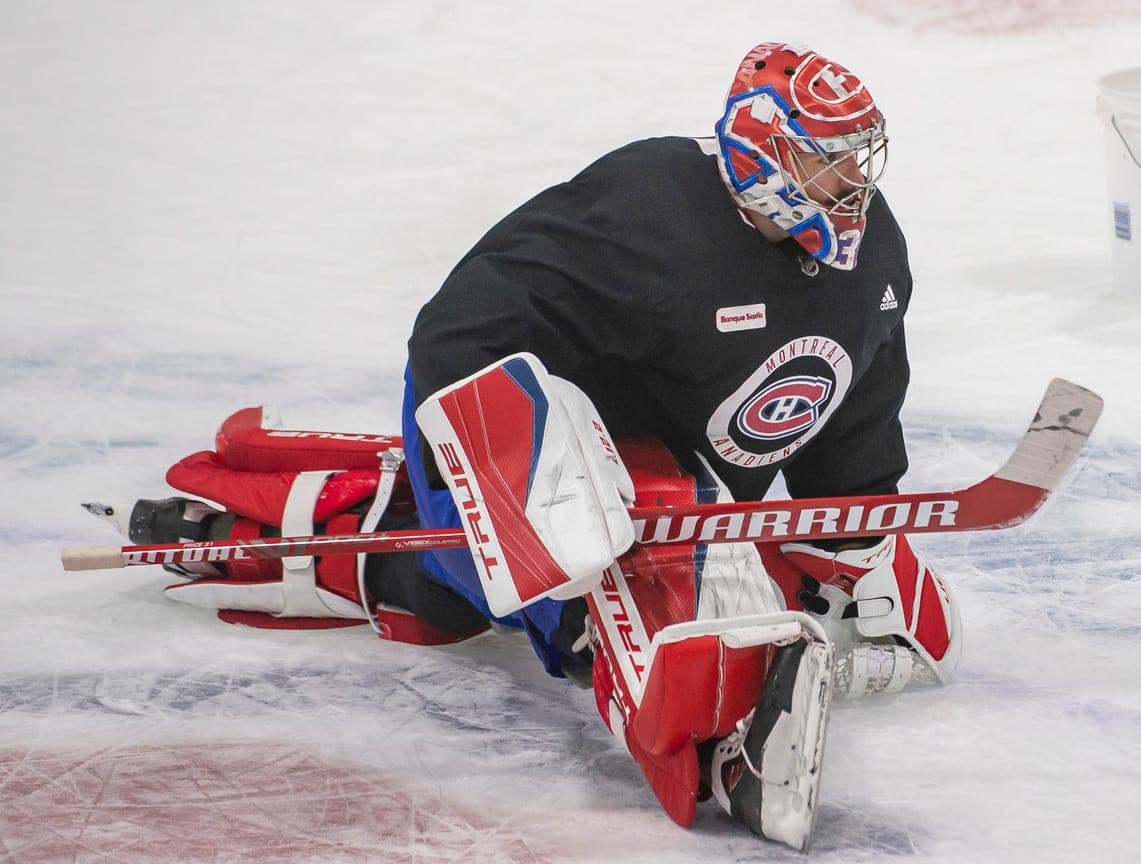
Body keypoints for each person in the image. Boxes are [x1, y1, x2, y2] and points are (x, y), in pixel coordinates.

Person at [102, 42, 962, 853]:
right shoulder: (649, 211)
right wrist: (517, 499)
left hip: (672, 460)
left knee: (467, 600)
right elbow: (459, 337)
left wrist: (854, 528)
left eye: (861, 154)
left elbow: (858, 388)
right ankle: (706, 739)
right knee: (580, 588)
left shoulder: (872, 250)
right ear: (761, 150)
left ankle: (408, 570)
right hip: (518, 423)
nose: (854, 179)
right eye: (827, 157)